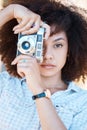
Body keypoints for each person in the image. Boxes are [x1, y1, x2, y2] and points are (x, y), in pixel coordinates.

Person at [0, 0, 87, 130]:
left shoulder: (82, 101)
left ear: (69, 49)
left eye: (58, 45)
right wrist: (11, 11)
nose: (47, 55)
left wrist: (38, 90)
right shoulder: (5, 84)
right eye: (40, 45)